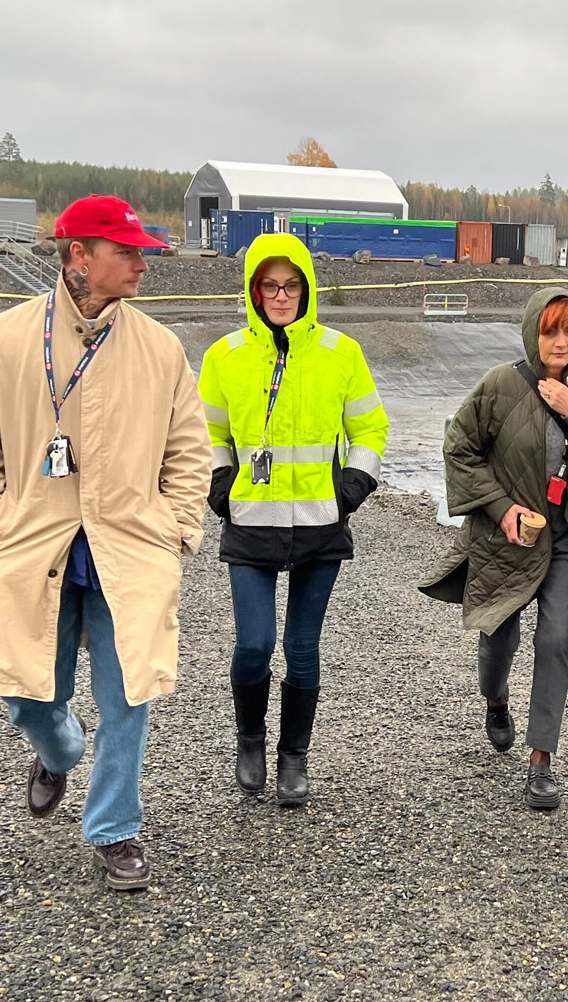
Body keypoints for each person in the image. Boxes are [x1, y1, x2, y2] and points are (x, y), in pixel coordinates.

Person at [0, 194, 211, 890]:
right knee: (29, 688)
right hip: (32, 541)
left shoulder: (160, 348)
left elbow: (189, 450)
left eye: (142, 251)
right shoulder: (4, 340)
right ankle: (58, 749)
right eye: (127, 252)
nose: (142, 263)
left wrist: (177, 527)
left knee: (127, 699)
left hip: (131, 545)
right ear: (79, 256)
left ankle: (116, 828)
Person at [421, 288, 568, 809]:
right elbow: (460, 449)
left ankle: (541, 760)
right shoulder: (500, 385)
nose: (561, 342)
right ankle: (495, 699)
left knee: (556, 639)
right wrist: (501, 509)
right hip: (506, 539)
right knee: (499, 637)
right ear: (532, 330)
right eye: (551, 330)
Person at [198, 233, 389, 808]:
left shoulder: (340, 353)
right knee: (254, 644)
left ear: (307, 289)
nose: (281, 295)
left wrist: (352, 485)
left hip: (319, 525)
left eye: (292, 285)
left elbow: (371, 429)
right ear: (254, 291)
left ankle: (294, 757)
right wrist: (220, 481)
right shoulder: (224, 356)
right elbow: (205, 431)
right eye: (270, 285)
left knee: (302, 648)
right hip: (251, 523)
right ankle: (250, 740)